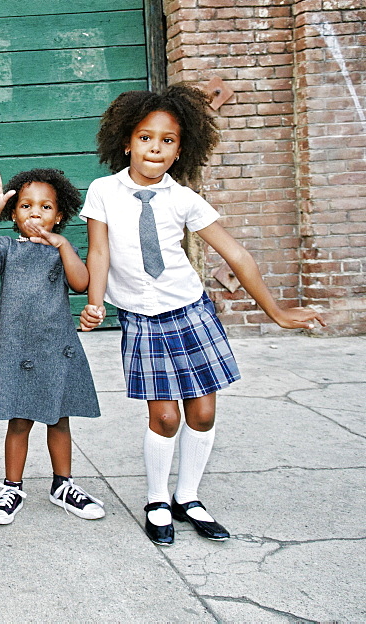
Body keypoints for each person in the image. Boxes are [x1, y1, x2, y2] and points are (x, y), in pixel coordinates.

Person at [79, 85, 325, 545]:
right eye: (145, 137)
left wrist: (275, 311)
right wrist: (95, 302)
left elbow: (236, 253)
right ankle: (156, 498)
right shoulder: (103, 191)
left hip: (190, 312)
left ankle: (187, 496)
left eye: (167, 140)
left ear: (180, 149)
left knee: (204, 412)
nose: (155, 147)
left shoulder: (184, 199)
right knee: (166, 417)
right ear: (127, 141)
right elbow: (99, 251)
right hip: (141, 317)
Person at [0, 168, 105, 525]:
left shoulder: (63, 249)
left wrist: (62, 245)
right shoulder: (9, 248)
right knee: (19, 420)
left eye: (45, 207)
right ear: (15, 214)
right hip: (16, 347)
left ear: (58, 216)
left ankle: (63, 485)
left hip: (56, 347)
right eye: (26, 206)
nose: (35, 213)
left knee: (59, 419)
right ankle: (12, 487)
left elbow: (81, 283)